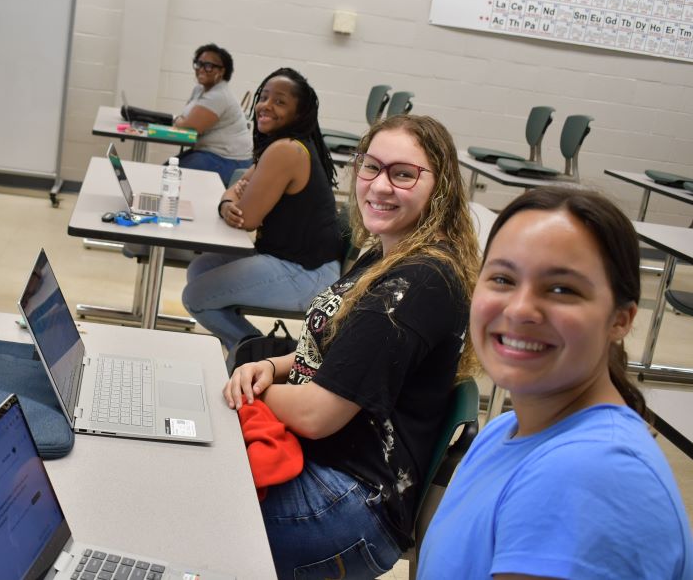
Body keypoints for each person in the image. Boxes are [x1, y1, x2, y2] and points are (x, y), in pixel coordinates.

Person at [222, 114, 481, 579]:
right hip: (332, 473)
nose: (379, 186)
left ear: (439, 186)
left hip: (349, 506)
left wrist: (246, 393)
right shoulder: (390, 250)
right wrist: (274, 367)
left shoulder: (418, 282)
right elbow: (337, 350)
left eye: (403, 174)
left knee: (192, 502)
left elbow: (317, 415)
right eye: (371, 166)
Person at [418, 187, 692, 579]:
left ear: (621, 319)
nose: (520, 309)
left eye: (562, 289)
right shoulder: (505, 429)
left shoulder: (591, 476)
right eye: (502, 278)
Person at [181, 68, 342, 350]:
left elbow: (246, 219)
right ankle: (248, 349)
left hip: (306, 274)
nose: (266, 105)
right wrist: (228, 203)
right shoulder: (280, 145)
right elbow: (235, 189)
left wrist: (235, 202)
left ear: (299, 113)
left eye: (280, 101)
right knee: (200, 268)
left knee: (196, 297)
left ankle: (256, 350)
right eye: (264, 97)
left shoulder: (287, 150)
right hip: (286, 258)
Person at [171, 43, 253, 186]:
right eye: (199, 64)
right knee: (167, 171)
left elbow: (188, 128)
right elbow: (187, 122)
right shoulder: (200, 90)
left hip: (228, 160)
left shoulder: (218, 95)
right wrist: (182, 121)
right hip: (208, 152)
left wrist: (178, 120)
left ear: (222, 71)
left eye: (208, 66)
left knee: (170, 176)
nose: (201, 69)